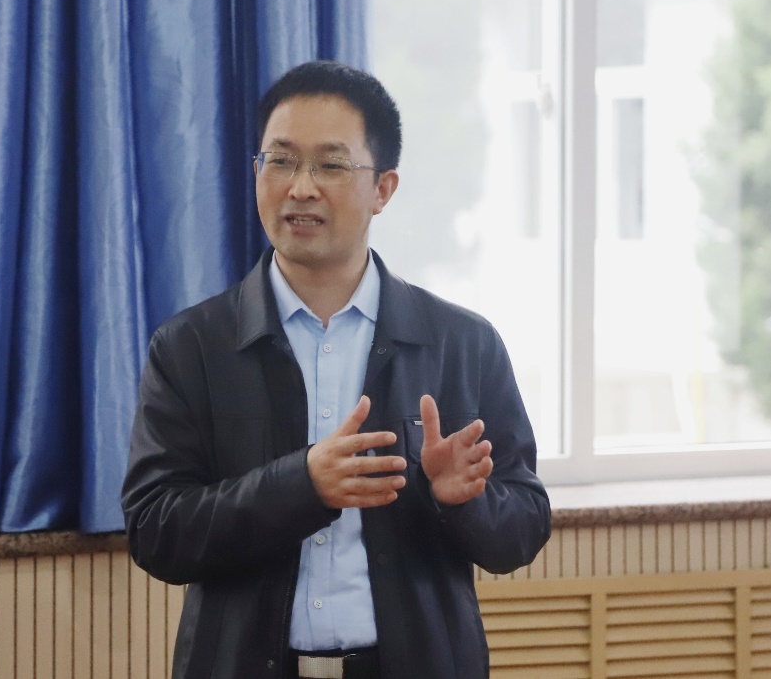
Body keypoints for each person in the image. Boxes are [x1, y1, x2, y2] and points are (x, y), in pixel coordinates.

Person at [122, 60, 551, 679]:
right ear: (256, 171)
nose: (301, 187)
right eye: (280, 160)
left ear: (383, 189)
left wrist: (465, 502)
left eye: (330, 165)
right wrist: (301, 486)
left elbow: (524, 529)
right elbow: (155, 531)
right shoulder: (190, 347)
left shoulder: (461, 345)